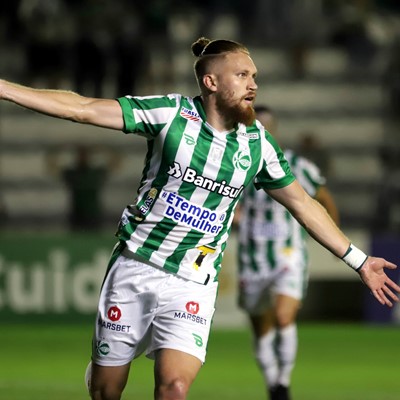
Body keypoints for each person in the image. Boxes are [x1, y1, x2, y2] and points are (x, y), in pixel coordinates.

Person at [0, 37, 399, 400]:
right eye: (242, 75)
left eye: (255, 76)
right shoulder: (170, 114)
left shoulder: (258, 143)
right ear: (211, 82)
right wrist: (5, 88)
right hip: (136, 268)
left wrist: (359, 261)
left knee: (173, 387)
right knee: (107, 392)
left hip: (193, 282)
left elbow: (304, 204)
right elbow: (83, 110)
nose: (253, 85)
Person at [235, 105, 339, 400]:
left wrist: (333, 239)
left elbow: (325, 200)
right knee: (261, 327)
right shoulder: (236, 160)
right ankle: (272, 382)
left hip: (287, 255)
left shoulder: (297, 165)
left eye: (266, 125)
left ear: (274, 128)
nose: (263, 129)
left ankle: (283, 380)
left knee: (283, 317)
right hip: (251, 259)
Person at [46, 144, 120, 231]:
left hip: (93, 213)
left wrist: (102, 149)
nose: (83, 158)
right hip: (77, 213)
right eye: (81, 155)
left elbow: (116, 162)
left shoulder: (95, 173)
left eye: (85, 155)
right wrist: (59, 149)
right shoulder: (72, 173)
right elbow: (52, 167)